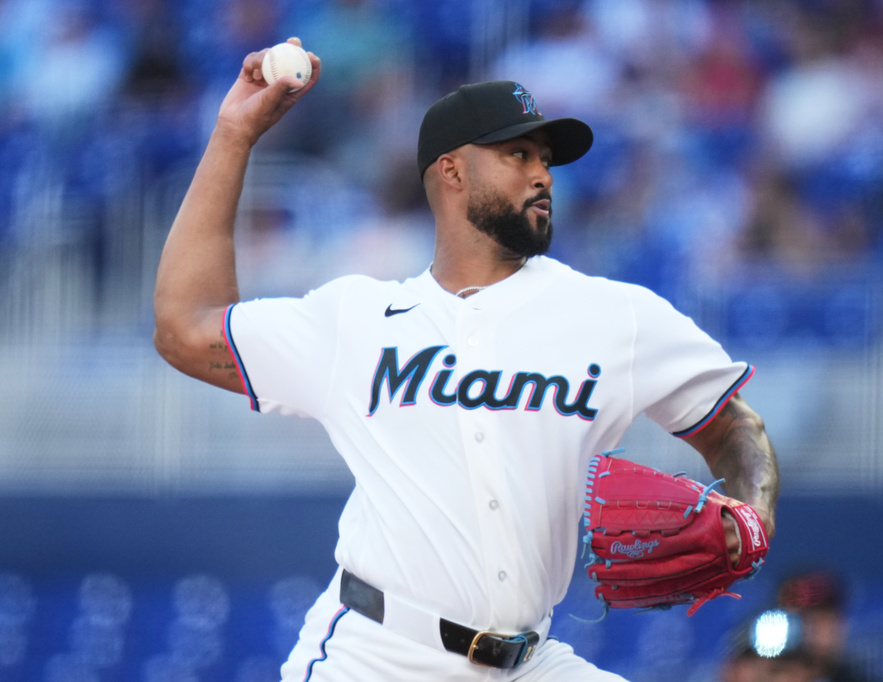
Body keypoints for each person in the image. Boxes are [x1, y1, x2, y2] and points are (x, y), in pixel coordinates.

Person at [153, 37, 780, 682]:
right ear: (450, 171)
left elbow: (735, 428)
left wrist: (752, 510)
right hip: (376, 656)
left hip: (531, 661)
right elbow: (184, 328)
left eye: (546, 159)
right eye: (517, 154)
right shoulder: (355, 321)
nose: (542, 174)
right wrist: (233, 135)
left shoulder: (615, 316)